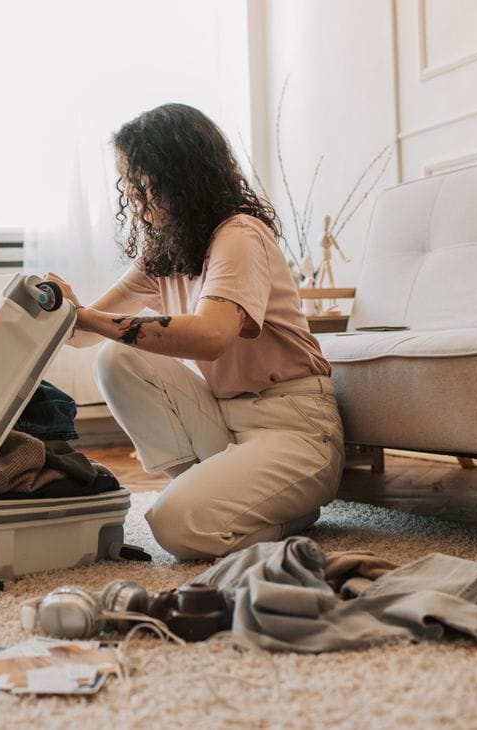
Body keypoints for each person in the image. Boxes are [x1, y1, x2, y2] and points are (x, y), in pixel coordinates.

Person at [45, 103, 344, 561]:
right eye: (128, 184)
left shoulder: (240, 234)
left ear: (181, 177)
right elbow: (86, 333)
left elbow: (212, 335)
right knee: (116, 356)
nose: (134, 197)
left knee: (176, 528)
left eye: (142, 183)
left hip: (294, 425)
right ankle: (212, 492)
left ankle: (285, 516)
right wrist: (57, 309)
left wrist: (88, 318)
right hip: (223, 419)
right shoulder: (165, 253)